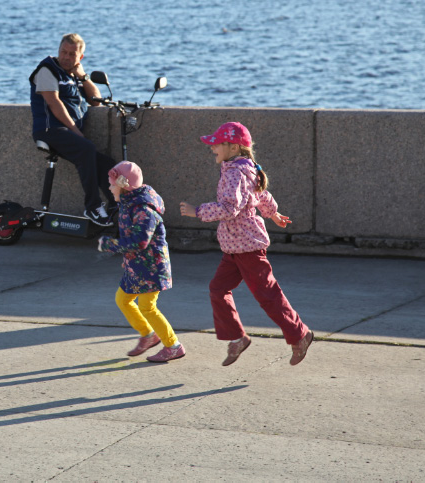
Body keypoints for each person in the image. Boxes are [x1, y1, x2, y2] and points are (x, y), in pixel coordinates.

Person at [179, 122, 313, 366]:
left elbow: (230, 208)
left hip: (248, 247)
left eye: (216, 144)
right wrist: (273, 213)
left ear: (232, 147)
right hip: (234, 247)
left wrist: (197, 211)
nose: (212, 149)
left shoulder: (235, 173)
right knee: (218, 289)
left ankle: (299, 334)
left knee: (267, 295)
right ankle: (237, 338)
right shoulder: (242, 168)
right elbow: (259, 194)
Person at [98, 161, 185, 362]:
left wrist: (110, 245)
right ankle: (148, 335)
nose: (110, 188)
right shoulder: (129, 204)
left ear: (124, 185)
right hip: (139, 266)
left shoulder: (143, 209)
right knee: (123, 299)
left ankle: (173, 346)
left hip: (152, 268)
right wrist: (128, 259)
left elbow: (140, 241)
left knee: (147, 307)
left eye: (112, 184)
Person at [29, 33, 115, 226]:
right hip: (50, 129)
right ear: (58, 50)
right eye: (63, 52)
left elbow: (96, 101)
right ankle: (92, 207)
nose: (66, 57)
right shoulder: (47, 70)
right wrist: (77, 132)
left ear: (80, 58)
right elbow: (54, 103)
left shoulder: (73, 75)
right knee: (86, 149)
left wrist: (83, 76)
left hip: (66, 132)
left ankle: (115, 207)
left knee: (107, 163)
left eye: (71, 54)